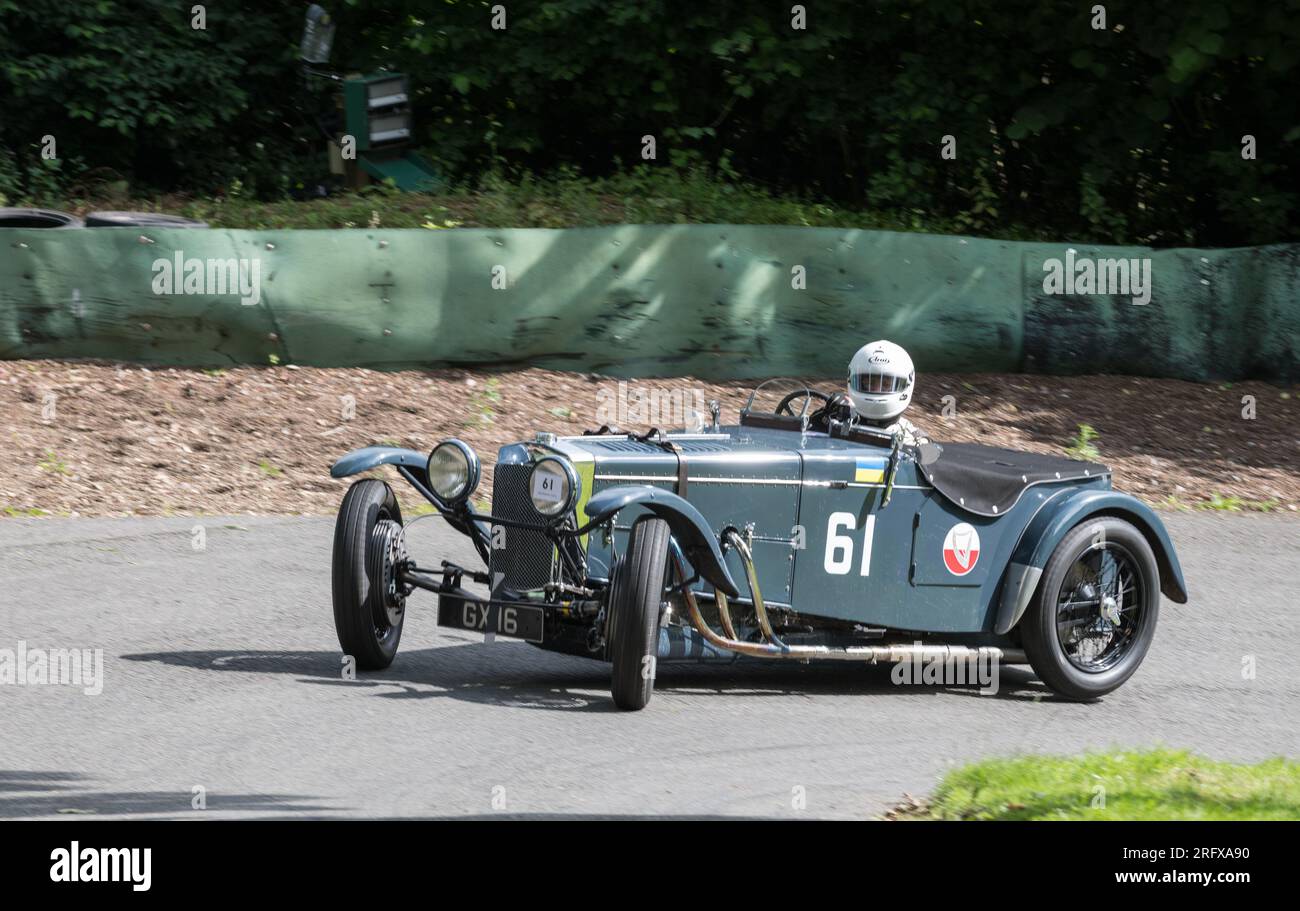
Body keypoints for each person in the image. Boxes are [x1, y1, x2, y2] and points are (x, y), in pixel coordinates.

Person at [846, 339, 929, 446]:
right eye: (868, 383)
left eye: (885, 385)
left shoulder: (915, 441)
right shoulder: (834, 421)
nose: (876, 391)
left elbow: (929, 456)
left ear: (907, 384)